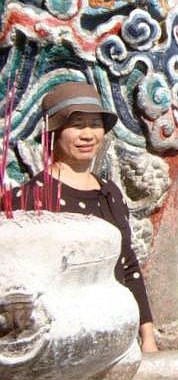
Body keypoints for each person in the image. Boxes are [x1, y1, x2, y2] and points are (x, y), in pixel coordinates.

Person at [14, 80, 158, 353]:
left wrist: (147, 336)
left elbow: (128, 265)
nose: (88, 135)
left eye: (95, 125)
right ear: (55, 132)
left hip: (116, 332)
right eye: (77, 125)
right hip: (59, 339)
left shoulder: (110, 193)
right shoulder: (31, 198)